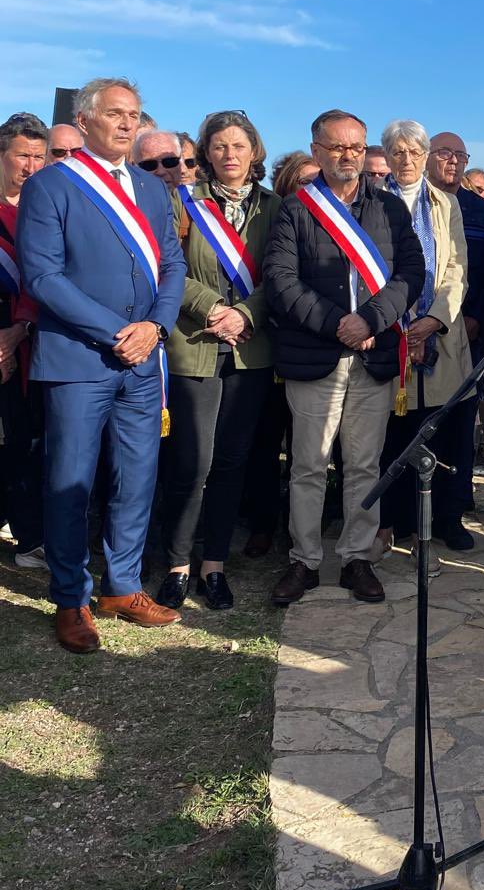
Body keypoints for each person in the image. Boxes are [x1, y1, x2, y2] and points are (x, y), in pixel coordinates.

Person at [17, 77, 186, 652]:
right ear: (85, 119)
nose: (125, 124)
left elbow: (173, 265)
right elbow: (41, 276)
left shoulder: (149, 186)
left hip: (142, 361)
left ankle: (122, 586)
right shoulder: (51, 185)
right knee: (70, 480)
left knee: (136, 478)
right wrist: (118, 332)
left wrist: (156, 327)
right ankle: (71, 597)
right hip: (78, 358)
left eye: (134, 116)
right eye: (115, 114)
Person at [262, 108, 424, 605]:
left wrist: (371, 320)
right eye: (336, 147)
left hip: (373, 359)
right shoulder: (295, 210)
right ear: (316, 151)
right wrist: (340, 324)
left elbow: (412, 273)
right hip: (316, 356)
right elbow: (281, 282)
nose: (348, 156)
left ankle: (356, 557)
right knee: (309, 465)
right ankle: (305, 561)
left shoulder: (391, 209)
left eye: (356, 146)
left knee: (364, 465)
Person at [155, 111, 280, 611]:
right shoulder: (181, 202)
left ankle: (214, 567)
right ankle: (178, 564)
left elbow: (283, 274)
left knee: (231, 461)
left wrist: (245, 314)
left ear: (255, 152)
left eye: (239, 146)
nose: (230, 155)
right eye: (220, 146)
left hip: (250, 351)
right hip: (195, 344)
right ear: (206, 154)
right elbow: (169, 267)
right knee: (192, 461)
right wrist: (213, 308)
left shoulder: (277, 207)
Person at [372, 121, 474, 552]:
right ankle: (388, 524)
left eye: (415, 152)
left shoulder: (446, 204)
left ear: (426, 155)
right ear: (387, 156)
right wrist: (395, 321)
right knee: (392, 439)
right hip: (389, 337)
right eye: (398, 153)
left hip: (440, 339)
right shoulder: (372, 203)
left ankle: (440, 523)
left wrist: (432, 320)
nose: (407, 161)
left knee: (442, 435)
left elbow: (457, 270)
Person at [241, 150, 321, 556]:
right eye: (302, 183)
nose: (311, 190)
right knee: (266, 440)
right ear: (287, 186)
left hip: (314, 348)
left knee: (311, 449)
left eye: (316, 182)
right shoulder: (276, 217)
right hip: (269, 342)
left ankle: (309, 522)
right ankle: (261, 522)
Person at [427, 131, 484, 523]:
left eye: (460, 155)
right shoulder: (410, 204)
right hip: (417, 333)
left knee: (460, 424)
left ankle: (453, 512)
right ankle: (409, 515)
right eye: (444, 153)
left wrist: (478, 318)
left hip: (465, 333)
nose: (452, 161)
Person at [0, 114, 48, 567]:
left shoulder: (45, 210)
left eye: (39, 156)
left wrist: (18, 332)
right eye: (22, 156)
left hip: (29, 345)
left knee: (23, 443)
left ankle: (30, 539)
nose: (31, 166)